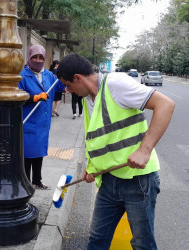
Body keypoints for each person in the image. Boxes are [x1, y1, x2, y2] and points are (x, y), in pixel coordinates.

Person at [56, 54, 175, 250]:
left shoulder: (115, 85)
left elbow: (166, 104)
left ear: (78, 78)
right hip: (109, 182)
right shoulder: (89, 100)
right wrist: (91, 167)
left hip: (138, 182)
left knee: (142, 243)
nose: (69, 91)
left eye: (68, 85)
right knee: (97, 240)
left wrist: (144, 150)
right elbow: (97, 138)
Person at [18, 45, 65, 190]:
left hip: (43, 123)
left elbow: (60, 87)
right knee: (27, 154)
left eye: (41, 58)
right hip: (28, 121)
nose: (38, 60)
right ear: (29, 57)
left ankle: (37, 181)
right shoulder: (22, 75)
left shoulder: (49, 75)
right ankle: (25, 183)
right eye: (35, 57)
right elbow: (16, 98)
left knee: (39, 153)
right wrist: (34, 97)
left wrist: (66, 75)